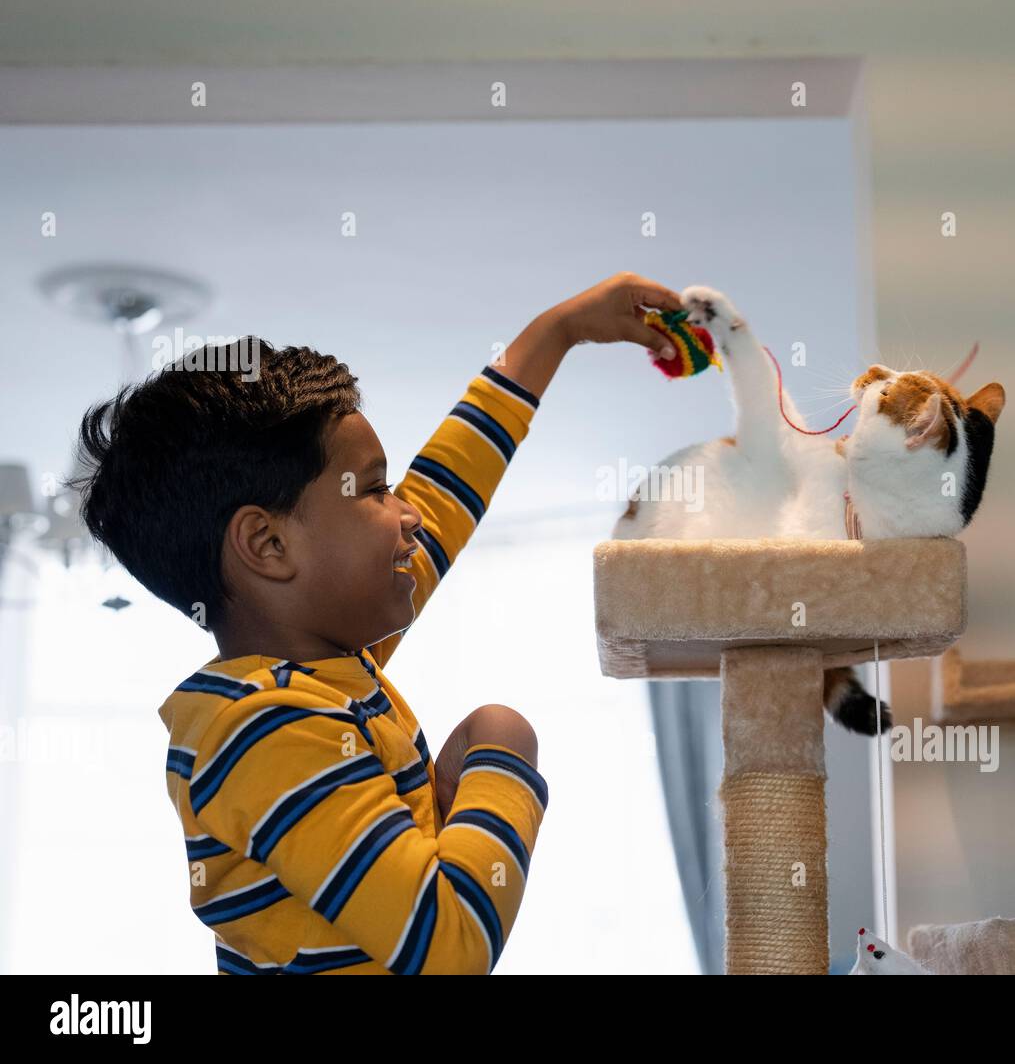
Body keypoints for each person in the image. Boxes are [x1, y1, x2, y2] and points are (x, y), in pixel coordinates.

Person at [72, 272, 683, 973]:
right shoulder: (265, 726)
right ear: (269, 546)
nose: (409, 513)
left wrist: (558, 331)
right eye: (374, 490)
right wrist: (502, 749)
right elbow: (451, 943)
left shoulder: (322, 675)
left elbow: (450, 489)